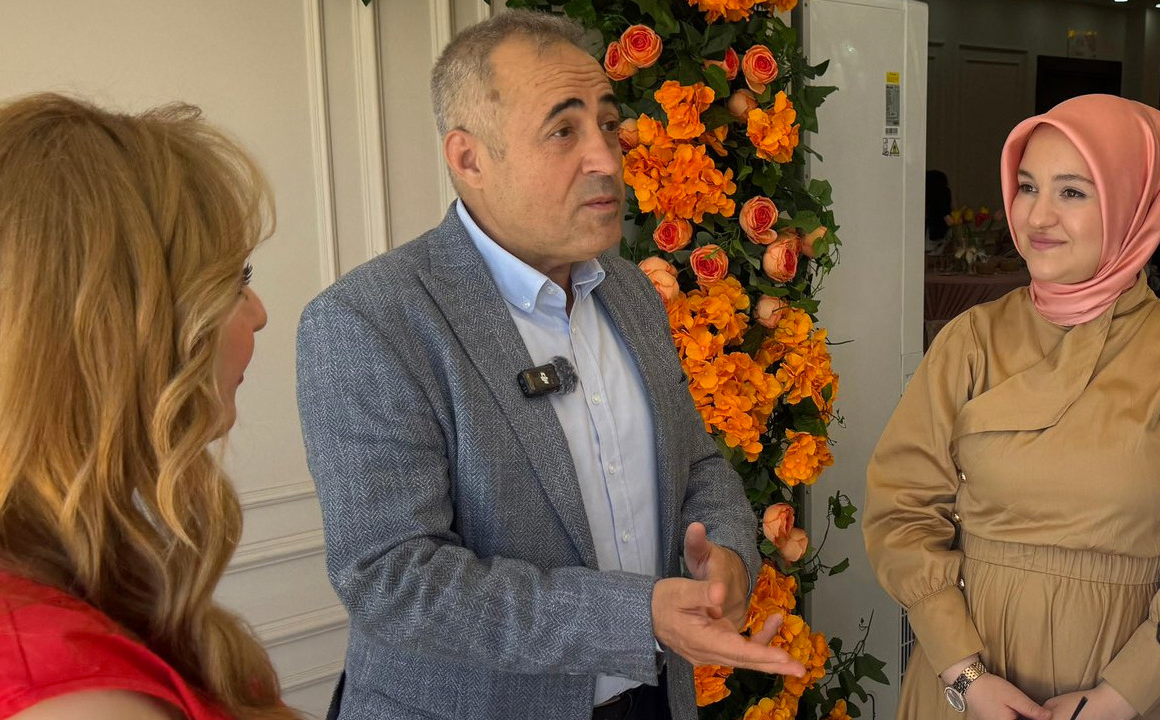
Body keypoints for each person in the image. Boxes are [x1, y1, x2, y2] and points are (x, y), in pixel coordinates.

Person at [295, 10, 801, 720]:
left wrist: (726, 557)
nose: (606, 158)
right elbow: (395, 579)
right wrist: (636, 617)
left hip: (656, 698)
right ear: (469, 159)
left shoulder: (629, 292)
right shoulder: (370, 321)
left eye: (607, 123)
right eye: (564, 131)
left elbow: (698, 464)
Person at [863, 93, 1160, 720]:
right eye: (1027, 186)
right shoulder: (970, 342)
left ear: (1135, 204)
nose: (1038, 215)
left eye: (1072, 191)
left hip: (1137, 690)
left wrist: (1122, 696)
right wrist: (965, 676)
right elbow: (902, 511)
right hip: (970, 682)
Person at [0, 94, 292, 720]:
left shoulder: (52, 574)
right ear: (117, 331)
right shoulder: (77, 701)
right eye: (235, 281)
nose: (259, 314)